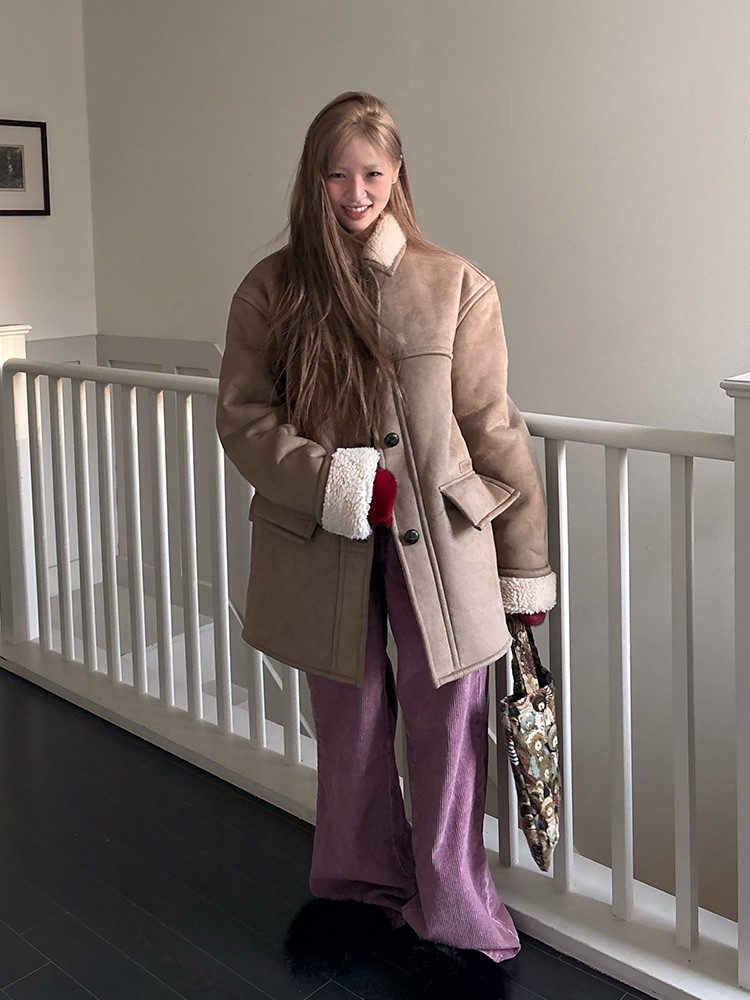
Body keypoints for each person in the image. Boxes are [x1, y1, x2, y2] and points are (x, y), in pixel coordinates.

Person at [216, 91, 556, 996]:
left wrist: (526, 567)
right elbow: (244, 418)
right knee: (352, 726)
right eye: (337, 175)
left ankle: (456, 916)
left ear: (398, 173)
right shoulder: (274, 288)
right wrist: (334, 481)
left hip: (445, 548)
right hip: (324, 546)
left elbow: (493, 429)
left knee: (452, 732)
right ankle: (358, 896)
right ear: (314, 179)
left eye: (371, 173)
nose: (355, 192)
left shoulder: (455, 283)